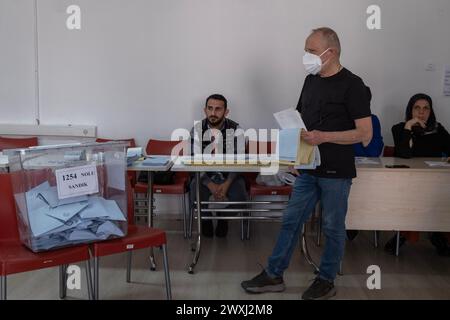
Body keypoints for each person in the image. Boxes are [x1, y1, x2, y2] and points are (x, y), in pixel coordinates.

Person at [241, 27, 373, 300]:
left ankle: (326, 279)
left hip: (337, 172)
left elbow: (365, 133)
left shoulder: (354, 85)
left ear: (331, 52)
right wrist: (294, 157)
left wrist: (324, 137)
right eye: (306, 50)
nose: (306, 56)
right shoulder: (310, 80)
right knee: (290, 220)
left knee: (333, 226)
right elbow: (300, 122)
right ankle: (274, 274)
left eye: (311, 51)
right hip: (308, 168)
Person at [384, 93, 450, 256]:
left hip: (435, 182)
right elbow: (403, 154)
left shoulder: (437, 129)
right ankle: (427, 235)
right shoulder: (399, 128)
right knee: (416, 199)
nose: (421, 112)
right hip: (408, 183)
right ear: (410, 110)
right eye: (417, 108)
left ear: (431, 111)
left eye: (426, 108)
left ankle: (437, 233)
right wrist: (409, 127)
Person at [189, 94, 247, 238]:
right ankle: (206, 219)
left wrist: (227, 183)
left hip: (230, 176)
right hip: (204, 176)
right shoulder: (196, 130)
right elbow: (193, 161)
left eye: (218, 109)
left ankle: (223, 217)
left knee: (241, 197)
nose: (213, 113)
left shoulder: (236, 129)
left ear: (226, 112)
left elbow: (239, 161)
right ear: (205, 110)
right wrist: (210, 184)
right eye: (210, 108)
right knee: (194, 193)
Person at [347, 86, 384, 241]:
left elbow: (374, 151)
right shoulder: (342, 120)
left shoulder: (373, 120)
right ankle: (349, 223)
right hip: (345, 171)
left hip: (367, 172)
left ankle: (356, 223)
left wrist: (362, 132)